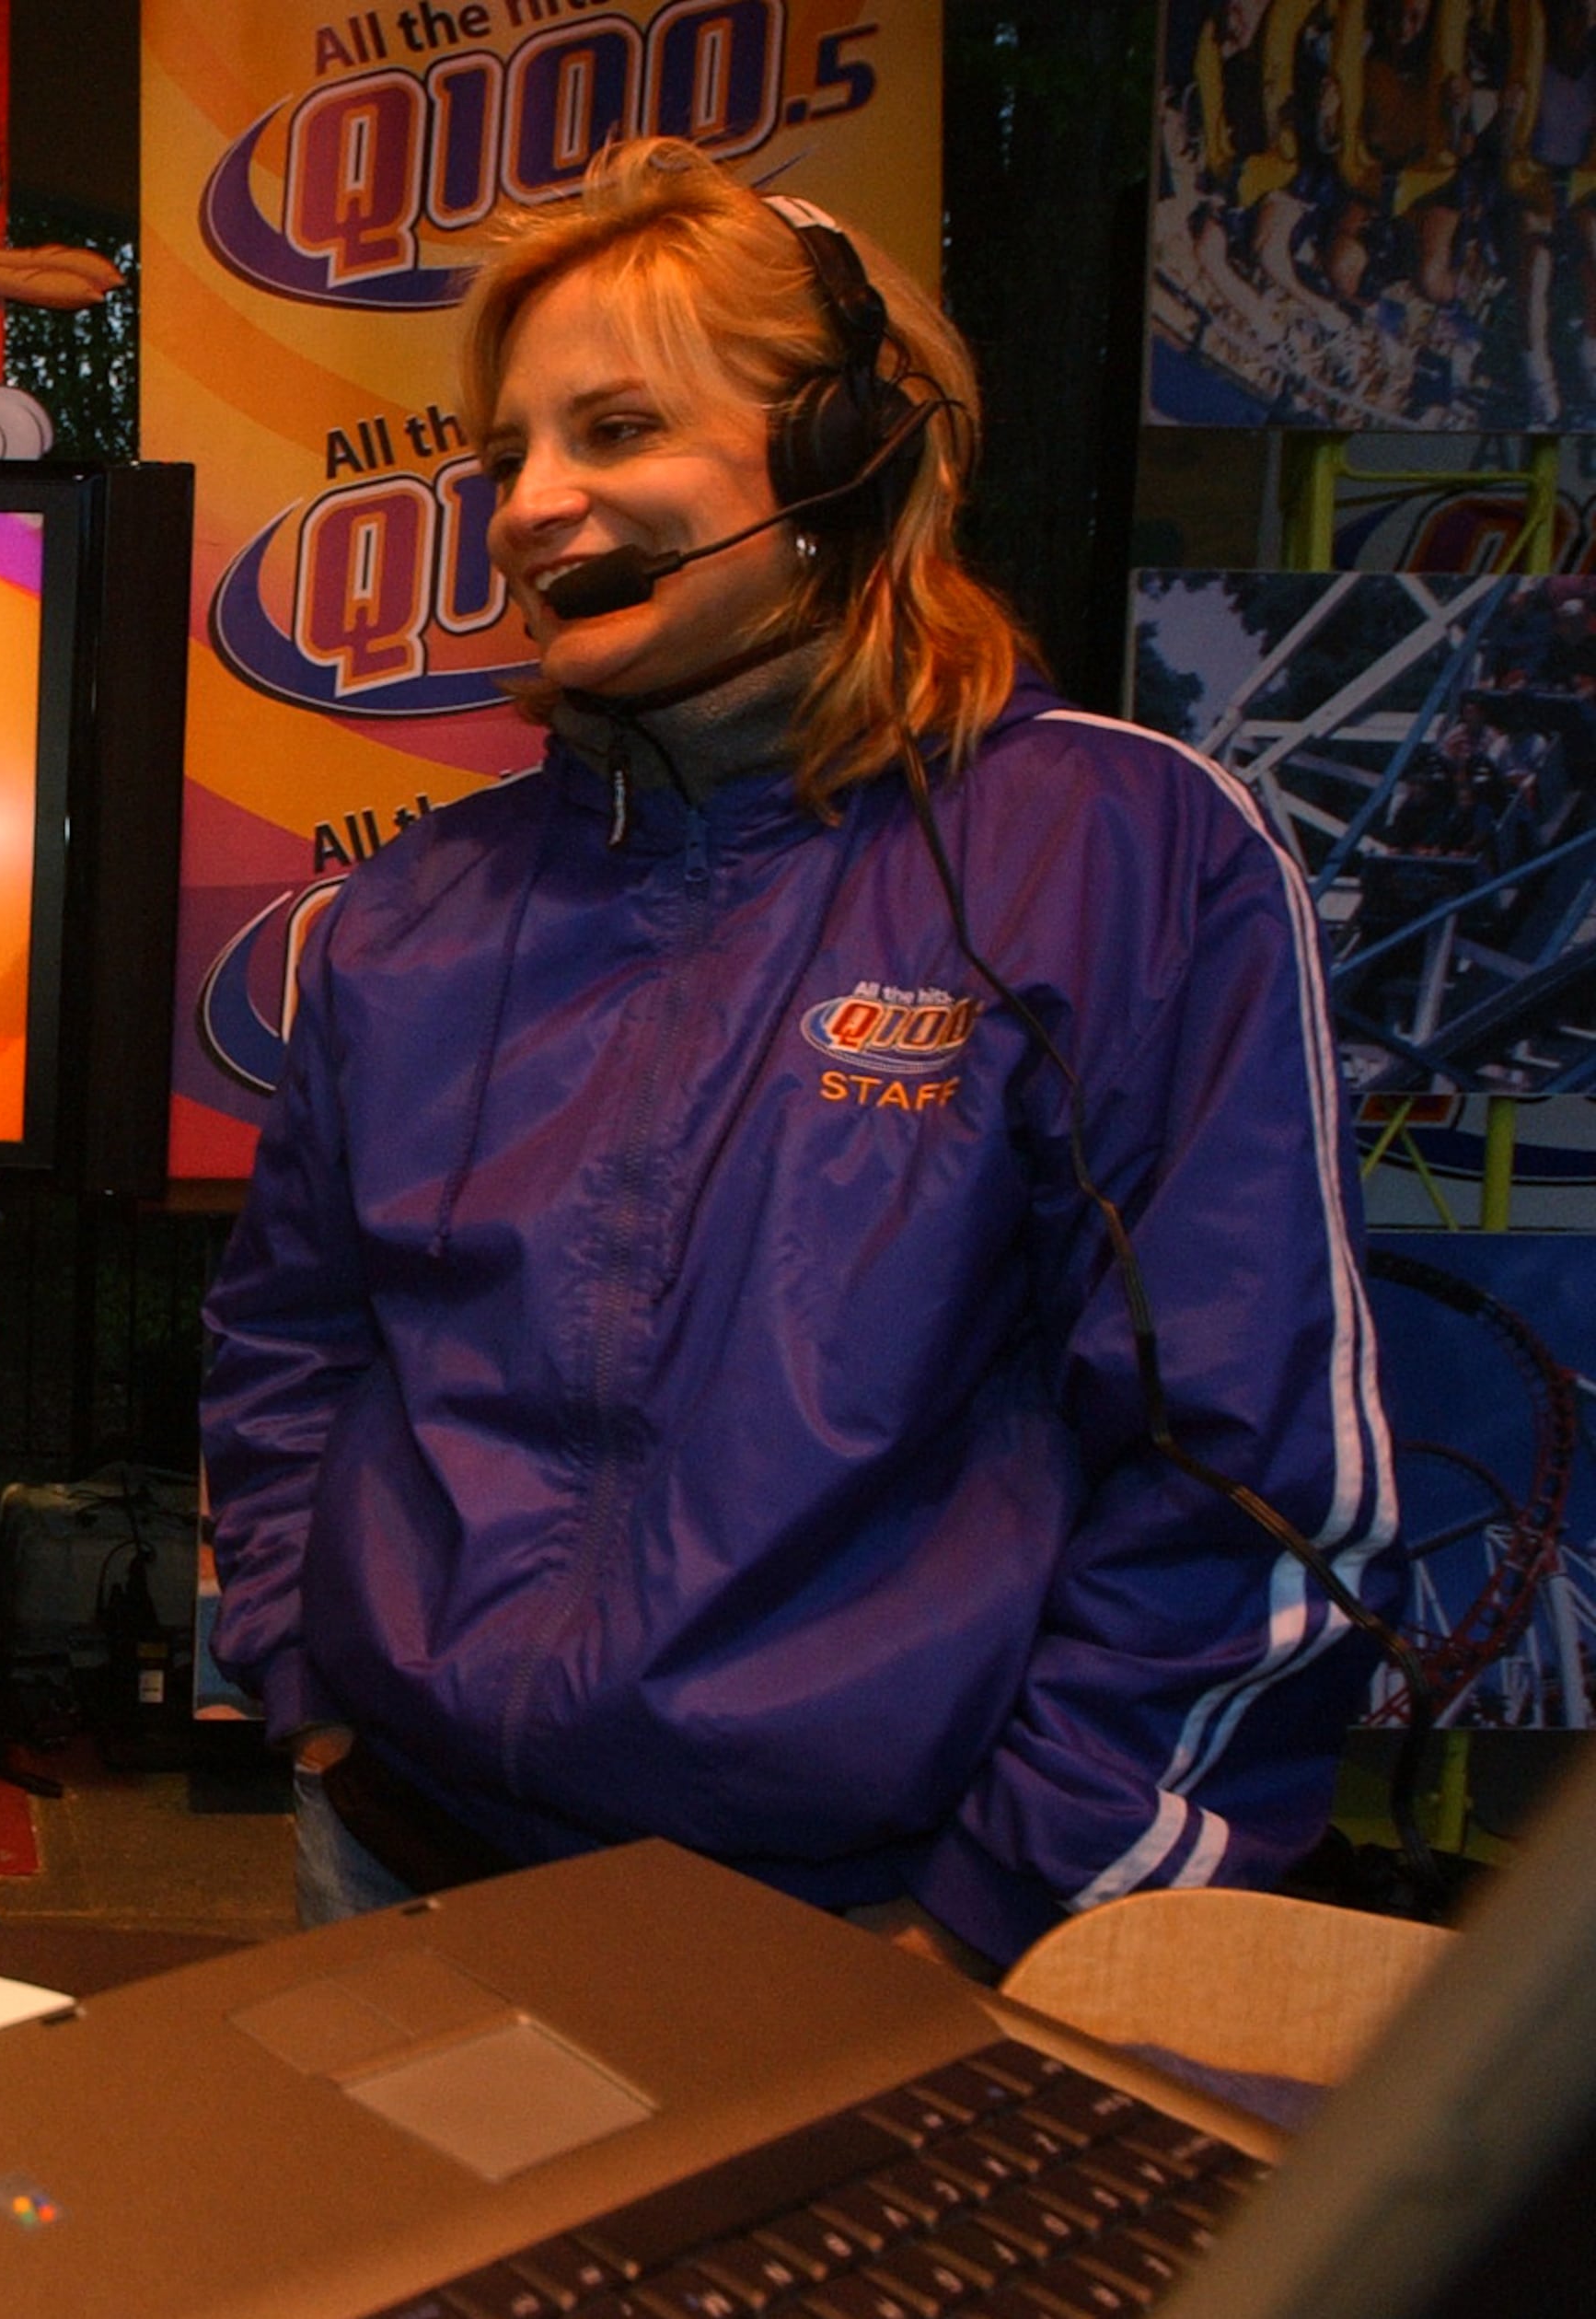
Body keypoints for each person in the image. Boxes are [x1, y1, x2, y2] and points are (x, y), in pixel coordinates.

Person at [202, 140, 1394, 1977]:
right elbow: (292, 1338)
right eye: (509, 452)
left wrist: (993, 1912)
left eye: (613, 430)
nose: (532, 504)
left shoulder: (1118, 857)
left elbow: (1243, 1470)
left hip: (873, 1927)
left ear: (852, 456)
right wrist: (309, 1683)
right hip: (391, 1859)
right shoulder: (418, 909)